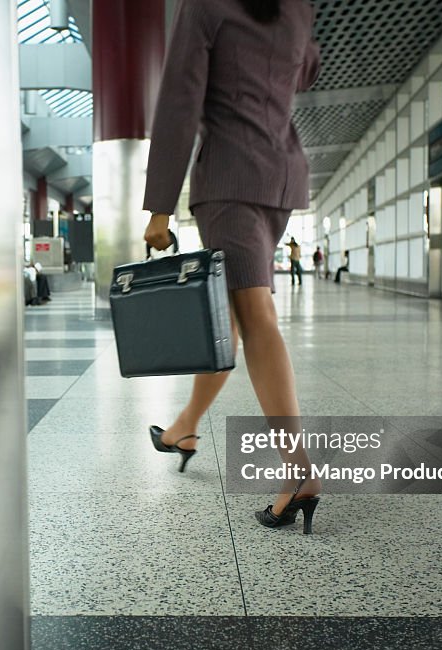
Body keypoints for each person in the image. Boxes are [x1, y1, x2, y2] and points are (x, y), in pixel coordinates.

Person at [141, 0, 322, 531]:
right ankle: (184, 427)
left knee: (254, 315)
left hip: (229, 179)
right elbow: (307, 69)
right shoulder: (296, 7)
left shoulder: (204, 7)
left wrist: (159, 207)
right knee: (233, 319)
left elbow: (179, 102)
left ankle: (298, 472)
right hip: (280, 177)